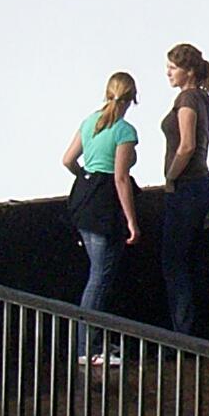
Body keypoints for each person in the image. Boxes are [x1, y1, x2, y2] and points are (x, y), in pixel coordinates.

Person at [61, 71, 141, 358]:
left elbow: (68, 159)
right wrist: (132, 221)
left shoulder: (89, 122)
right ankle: (87, 347)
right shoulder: (124, 131)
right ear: (132, 98)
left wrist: (85, 175)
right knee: (100, 278)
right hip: (106, 205)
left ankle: (92, 342)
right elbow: (121, 178)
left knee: (97, 274)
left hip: (84, 199)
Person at [159, 43, 209, 335]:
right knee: (191, 258)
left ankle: (182, 333)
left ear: (189, 71)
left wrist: (170, 178)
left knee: (173, 260)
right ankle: (192, 328)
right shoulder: (203, 98)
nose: (168, 73)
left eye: (173, 68)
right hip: (201, 185)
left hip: (186, 188)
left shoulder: (186, 100)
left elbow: (186, 146)